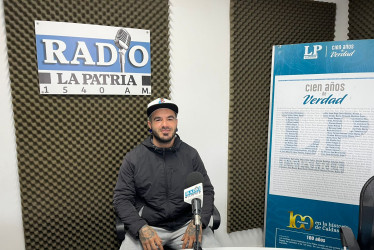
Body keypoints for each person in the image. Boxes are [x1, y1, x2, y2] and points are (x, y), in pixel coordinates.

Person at [113, 97, 220, 250]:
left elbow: (206, 191)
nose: (165, 124)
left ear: (176, 122)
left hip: (187, 225)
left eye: (170, 118)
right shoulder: (133, 158)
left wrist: (199, 222)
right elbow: (121, 199)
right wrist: (140, 227)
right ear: (150, 125)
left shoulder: (191, 154)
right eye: (158, 120)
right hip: (149, 227)